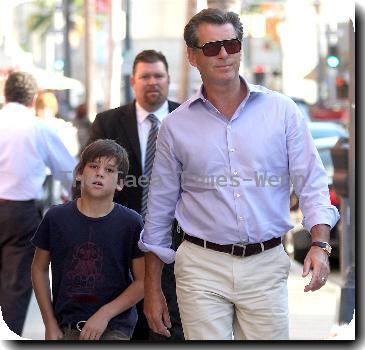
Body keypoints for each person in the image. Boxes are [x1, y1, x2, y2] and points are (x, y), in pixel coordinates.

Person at [139, 8, 340, 340]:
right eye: (211, 47)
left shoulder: (282, 111)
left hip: (266, 264)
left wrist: (320, 244)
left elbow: (311, 181)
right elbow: (159, 209)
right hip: (201, 266)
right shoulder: (175, 126)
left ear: (241, 49)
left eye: (231, 45)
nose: (223, 54)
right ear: (192, 56)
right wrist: (152, 287)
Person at [88, 50, 184, 341]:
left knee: (169, 330)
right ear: (133, 81)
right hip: (119, 248)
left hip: (176, 248)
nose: (152, 82)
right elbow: (90, 181)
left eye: (158, 76)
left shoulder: (189, 119)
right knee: (123, 331)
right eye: (145, 76)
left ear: (168, 80)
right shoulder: (108, 123)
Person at [31, 139, 145, 340]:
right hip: (65, 326)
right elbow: (39, 269)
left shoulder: (131, 223)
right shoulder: (56, 218)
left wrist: (105, 314)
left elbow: (144, 281)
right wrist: (49, 323)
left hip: (114, 327)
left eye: (110, 170)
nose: (100, 173)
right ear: (79, 173)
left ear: (120, 183)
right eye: (93, 166)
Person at [0, 71, 76, 336]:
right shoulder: (38, 127)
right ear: (33, 98)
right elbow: (68, 172)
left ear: (5, 94)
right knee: (15, 286)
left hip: (16, 210)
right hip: (21, 213)